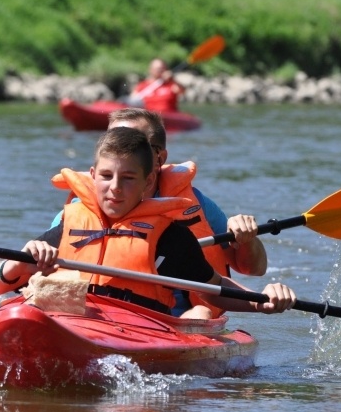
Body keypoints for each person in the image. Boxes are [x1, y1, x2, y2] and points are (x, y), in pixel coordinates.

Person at [0, 126, 296, 318]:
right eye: (106, 176)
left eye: (128, 179)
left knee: (198, 312)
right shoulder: (66, 225)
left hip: (133, 328)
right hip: (73, 319)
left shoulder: (170, 238)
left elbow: (212, 290)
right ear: (92, 176)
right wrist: (17, 266)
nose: (115, 188)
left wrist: (260, 302)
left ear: (147, 183)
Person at [50, 107, 267, 319]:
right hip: (88, 317)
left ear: (159, 158)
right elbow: (39, 269)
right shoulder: (74, 214)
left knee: (201, 313)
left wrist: (248, 240)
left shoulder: (193, 210)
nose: (119, 148)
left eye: (134, 143)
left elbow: (251, 270)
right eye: (113, 138)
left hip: (171, 320)